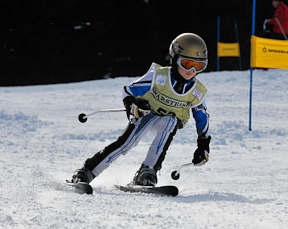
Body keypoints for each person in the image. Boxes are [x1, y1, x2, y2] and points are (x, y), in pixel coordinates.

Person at [71, 33, 211, 188]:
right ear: (174, 58)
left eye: (198, 66)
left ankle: (148, 171)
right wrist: (132, 105)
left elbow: (202, 118)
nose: (191, 70)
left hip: (168, 121)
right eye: (186, 63)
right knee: (127, 144)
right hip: (146, 114)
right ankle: (87, 171)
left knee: (169, 122)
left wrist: (203, 145)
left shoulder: (197, 91)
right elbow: (129, 91)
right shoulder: (158, 76)